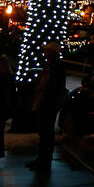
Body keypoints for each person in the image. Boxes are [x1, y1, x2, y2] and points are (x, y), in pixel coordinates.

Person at [27, 42, 67, 172]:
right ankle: (42, 159)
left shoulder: (56, 66)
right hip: (46, 102)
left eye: (47, 51)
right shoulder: (51, 65)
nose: (45, 53)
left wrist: (46, 97)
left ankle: (44, 160)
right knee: (44, 132)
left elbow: (54, 86)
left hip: (48, 103)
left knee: (46, 132)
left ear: (52, 53)